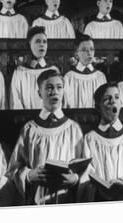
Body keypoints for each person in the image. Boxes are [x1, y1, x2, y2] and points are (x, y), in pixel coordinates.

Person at [8, 69, 84, 205]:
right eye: (49, 88)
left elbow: (85, 167)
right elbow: (14, 168)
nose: (54, 92)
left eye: (59, 87)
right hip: (38, 196)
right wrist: (28, 175)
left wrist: (75, 178)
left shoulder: (73, 128)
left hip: (65, 197)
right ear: (39, 93)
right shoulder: (30, 129)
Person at [79, 82, 123, 201]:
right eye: (107, 99)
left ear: (121, 103)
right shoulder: (90, 139)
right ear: (98, 106)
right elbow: (87, 174)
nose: (113, 101)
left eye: (117, 97)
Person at [9, 26, 59, 110]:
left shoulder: (53, 70)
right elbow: (15, 100)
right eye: (38, 41)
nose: (42, 44)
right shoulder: (20, 72)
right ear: (29, 45)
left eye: (44, 42)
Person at [63, 35, 107, 108]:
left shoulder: (100, 76)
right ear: (76, 54)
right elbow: (66, 103)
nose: (89, 53)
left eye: (92, 49)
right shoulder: (69, 77)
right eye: (84, 50)